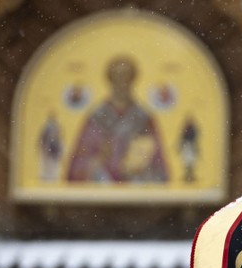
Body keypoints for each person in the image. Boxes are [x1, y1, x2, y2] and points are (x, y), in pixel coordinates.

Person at [65, 55, 168, 183]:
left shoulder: (144, 119)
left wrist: (140, 166)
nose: (121, 82)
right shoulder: (96, 118)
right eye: (117, 76)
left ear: (133, 79)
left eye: (126, 76)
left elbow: (161, 170)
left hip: (136, 195)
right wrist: (98, 160)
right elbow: (75, 169)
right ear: (110, 79)